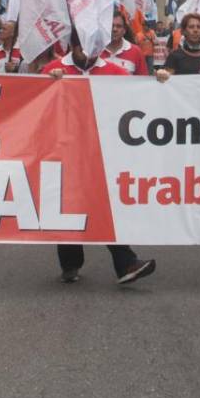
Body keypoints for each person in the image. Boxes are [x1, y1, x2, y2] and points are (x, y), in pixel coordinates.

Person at [44, 33, 157, 286]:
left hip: (102, 152)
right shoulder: (53, 69)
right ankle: (71, 262)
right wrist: (48, 83)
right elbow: (32, 101)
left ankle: (125, 261)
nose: (91, 50)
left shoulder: (115, 73)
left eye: (96, 44)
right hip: (64, 150)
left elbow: (141, 97)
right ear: (74, 45)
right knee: (68, 205)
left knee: (102, 203)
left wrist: (161, 81)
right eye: (85, 44)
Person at [156, 12, 200, 78]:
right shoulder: (174, 56)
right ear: (184, 31)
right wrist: (160, 76)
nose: (195, 30)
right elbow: (166, 82)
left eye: (199, 27)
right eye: (191, 27)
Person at [98, 9, 148, 74]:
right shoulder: (94, 52)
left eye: (118, 26)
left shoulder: (136, 52)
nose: (114, 29)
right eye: (111, 26)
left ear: (124, 30)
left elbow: (143, 80)